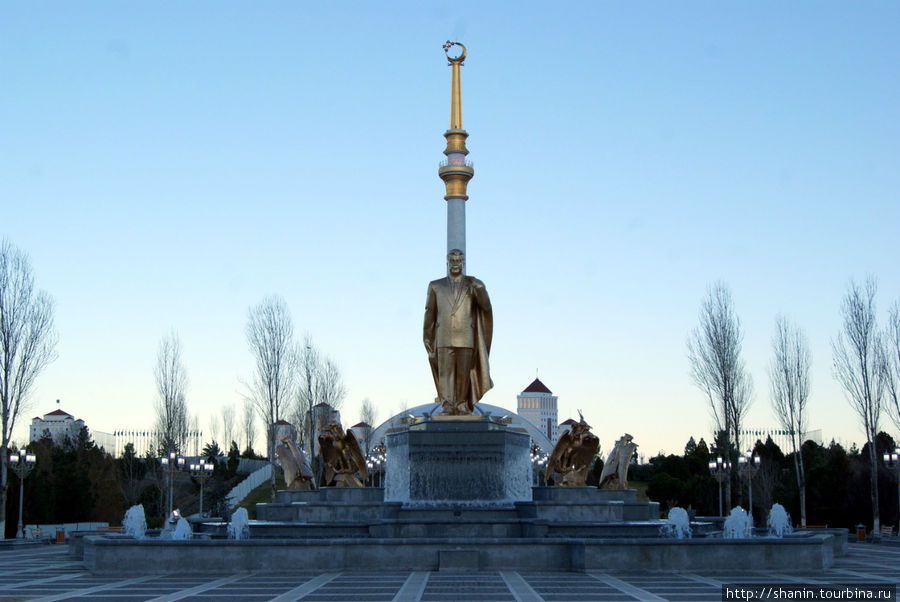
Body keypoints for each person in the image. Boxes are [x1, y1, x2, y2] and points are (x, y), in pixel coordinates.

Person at [423, 249, 493, 415]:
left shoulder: (473, 285)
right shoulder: (436, 286)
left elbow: (485, 307)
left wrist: (481, 289)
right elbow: (429, 314)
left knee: (463, 375)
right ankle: (447, 405)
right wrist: (427, 340)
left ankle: (462, 405)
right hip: (443, 338)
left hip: (466, 338)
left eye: (458, 261)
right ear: (447, 263)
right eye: (452, 261)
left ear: (463, 263)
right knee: (445, 374)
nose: (455, 264)